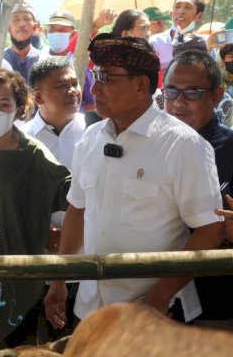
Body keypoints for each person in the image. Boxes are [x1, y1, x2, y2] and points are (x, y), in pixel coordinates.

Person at [44, 34, 224, 330]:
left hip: (152, 314)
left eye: (107, 78)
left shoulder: (183, 145)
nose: (95, 88)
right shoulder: (90, 138)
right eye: (93, 76)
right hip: (90, 308)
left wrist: (158, 296)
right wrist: (59, 279)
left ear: (142, 85)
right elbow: (77, 209)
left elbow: (209, 230)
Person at [0, 68, 70, 347]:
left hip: (19, 278)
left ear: (19, 108)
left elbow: (74, 197)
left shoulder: (33, 154)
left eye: (4, 104)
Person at [162, 49, 233, 329]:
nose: (178, 103)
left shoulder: (230, 148)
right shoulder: (147, 144)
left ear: (216, 96)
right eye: (171, 91)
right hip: (151, 297)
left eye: (192, 93)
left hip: (216, 303)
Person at [21, 56, 85, 170]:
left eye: (75, 83)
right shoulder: (22, 140)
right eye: (62, 86)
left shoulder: (94, 131)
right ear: (38, 96)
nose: (73, 91)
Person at [150, 0, 206, 72]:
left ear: (199, 16)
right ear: (171, 13)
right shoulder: (154, 42)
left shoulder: (204, 44)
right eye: (177, 6)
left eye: (187, 7)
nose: (180, 11)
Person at [4, 0, 40, 80]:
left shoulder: (43, 59)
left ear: (35, 27)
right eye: (16, 20)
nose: (21, 24)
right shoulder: (0, 60)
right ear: (8, 27)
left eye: (27, 19)